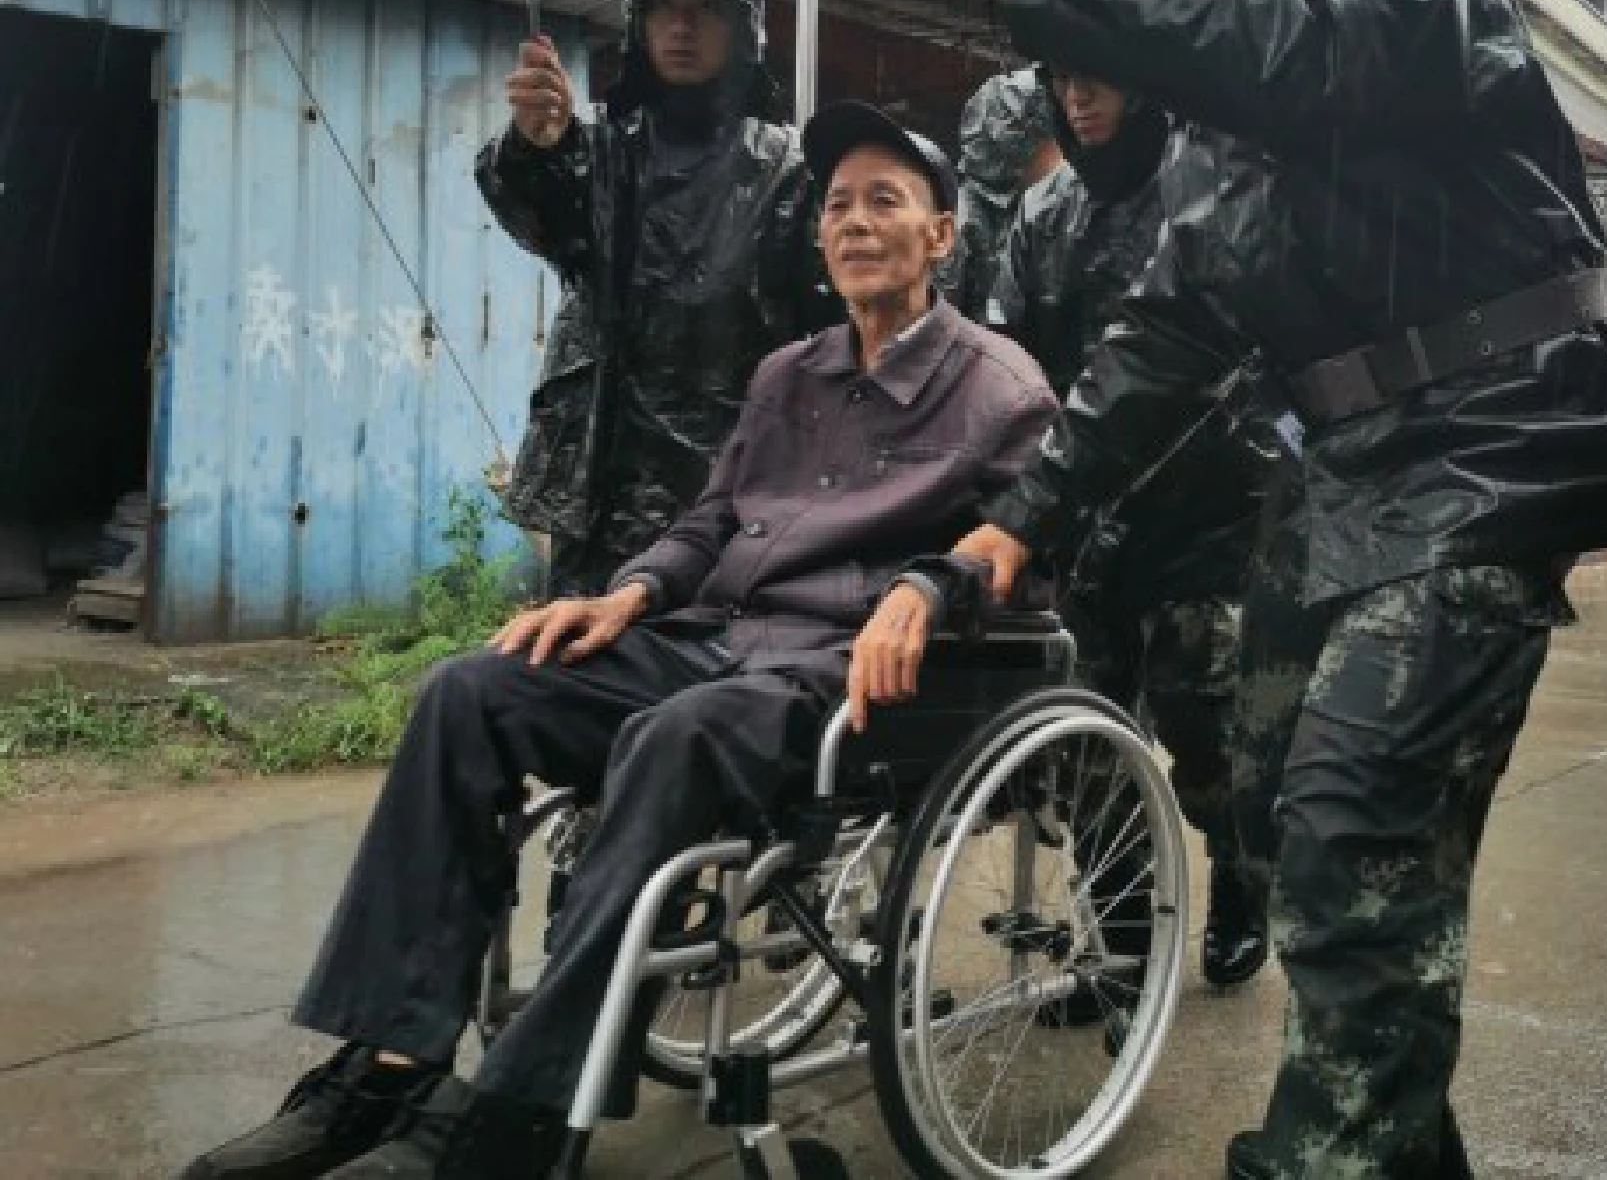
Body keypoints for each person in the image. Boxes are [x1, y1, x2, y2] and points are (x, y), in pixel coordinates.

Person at [941, 0, 1607, 1178]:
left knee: (1359, 846)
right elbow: (1165, 330)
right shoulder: (1222, 84)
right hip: (1346, 486)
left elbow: (1326, 46)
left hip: (1491, 450)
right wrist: (1022, 517)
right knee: (1295, 831)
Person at [178, 103, 1057, 1180]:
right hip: (715, 637)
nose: (855, 222)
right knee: (473, 689)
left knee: (674, 735)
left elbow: (1026, 539)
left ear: (941, 236)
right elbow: (711, 521)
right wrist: (627, 593)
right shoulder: (788, 372)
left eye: (886, 200)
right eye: (837, 205)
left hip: (847, 674)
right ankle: (390, 1066)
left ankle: (519, 1111)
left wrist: (930, 584)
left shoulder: (998, 384)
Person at [985, 66, 1273, 991]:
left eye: (1101, 77)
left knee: (1213, 740)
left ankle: (1243, 879)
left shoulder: (1207, 187)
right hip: (1078, 530)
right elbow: (1007, 357)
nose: (1080, 99)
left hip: (1207, 525)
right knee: (1086, 745)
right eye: (1064, 82)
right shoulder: (1043, 215)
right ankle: (1120, 951)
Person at [478, 0, 834, 597]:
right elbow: (534, 213)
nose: (682, 27)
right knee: (577, 669)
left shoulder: (790, 169)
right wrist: (533, 146)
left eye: (705, 9)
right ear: (638, 21)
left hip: (729, 489)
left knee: (696, 679)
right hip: (600, 484)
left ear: (744, 27)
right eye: (665, 7)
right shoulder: (598, 151)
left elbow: (825, 338)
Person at [939, 67, 1062, 313]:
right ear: (1019, 147)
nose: (1063, 157)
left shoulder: (1039, 213)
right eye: (1056, 142)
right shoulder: (960, 226)